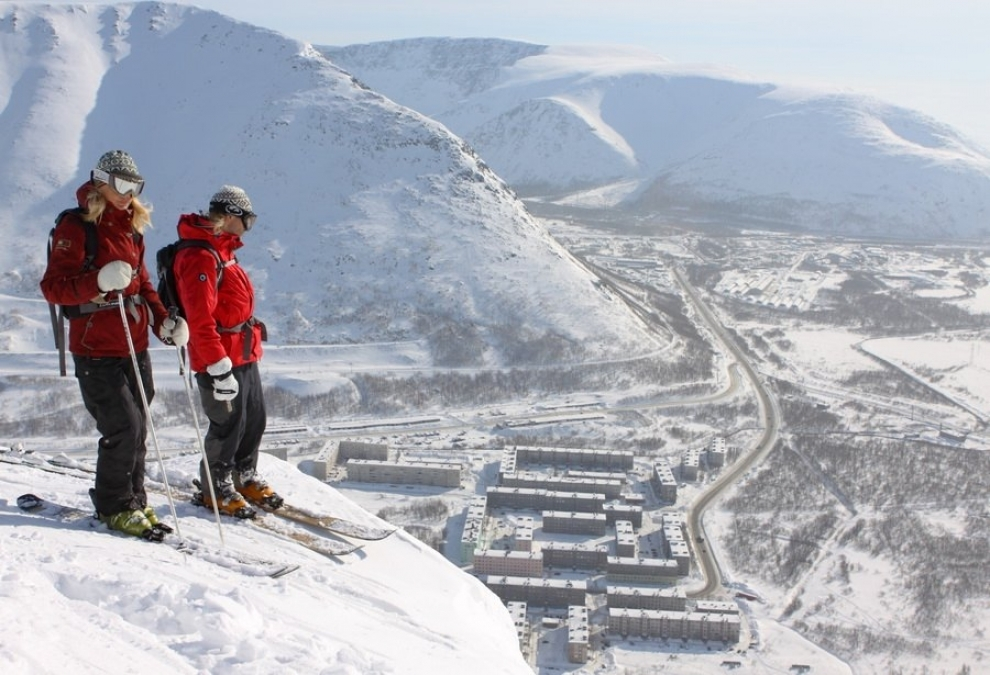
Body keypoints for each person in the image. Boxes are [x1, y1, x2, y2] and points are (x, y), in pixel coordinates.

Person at [40, 150, 189, 540]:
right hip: (95, 347)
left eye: (134, 186)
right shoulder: (77, 226)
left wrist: (165, 323)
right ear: (100, 181)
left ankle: (134, 499)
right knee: (123, 425)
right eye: (121, 185)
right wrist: (99, 282)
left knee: (138, 426)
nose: (127, 194)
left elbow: (142, 286)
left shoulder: (131, 228)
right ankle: (114, 505)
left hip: (133, 345)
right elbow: (53, 287)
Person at [173, 185, 281, 518]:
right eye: (248, 219)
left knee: (254, 420)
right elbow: (200, 317)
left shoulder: (223, 252)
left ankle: (243, 474)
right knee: (227, 425)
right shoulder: (200, 256)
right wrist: (217, 365)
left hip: (244, 353)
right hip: (219, 360)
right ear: (231, 216)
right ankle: (215, 487)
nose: (250, 225)